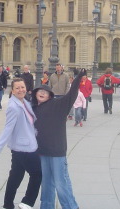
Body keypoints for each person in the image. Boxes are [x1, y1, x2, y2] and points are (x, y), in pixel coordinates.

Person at [31, 68, 86, 209]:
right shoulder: (34, 109)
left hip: (56, 152)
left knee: (61, 183)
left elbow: (71, 95)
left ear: (50, 95)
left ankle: (71, 206)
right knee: (47, 184)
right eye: (39, 91)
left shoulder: (58, 105)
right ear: (35, 94)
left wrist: (79, 77)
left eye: (45, 92)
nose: (42, 93)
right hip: (43, 152)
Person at [0, 78, 42, 209]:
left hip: (21, 146)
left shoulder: (24, 102)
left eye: (22, 87)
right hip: (25, 148)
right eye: (17, 88)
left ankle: (8, 203)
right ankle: (27, 202)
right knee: (38, 174)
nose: (20, 90)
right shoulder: (14, 107)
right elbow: (8, 129)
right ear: (12, 91)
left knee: (16, 176)